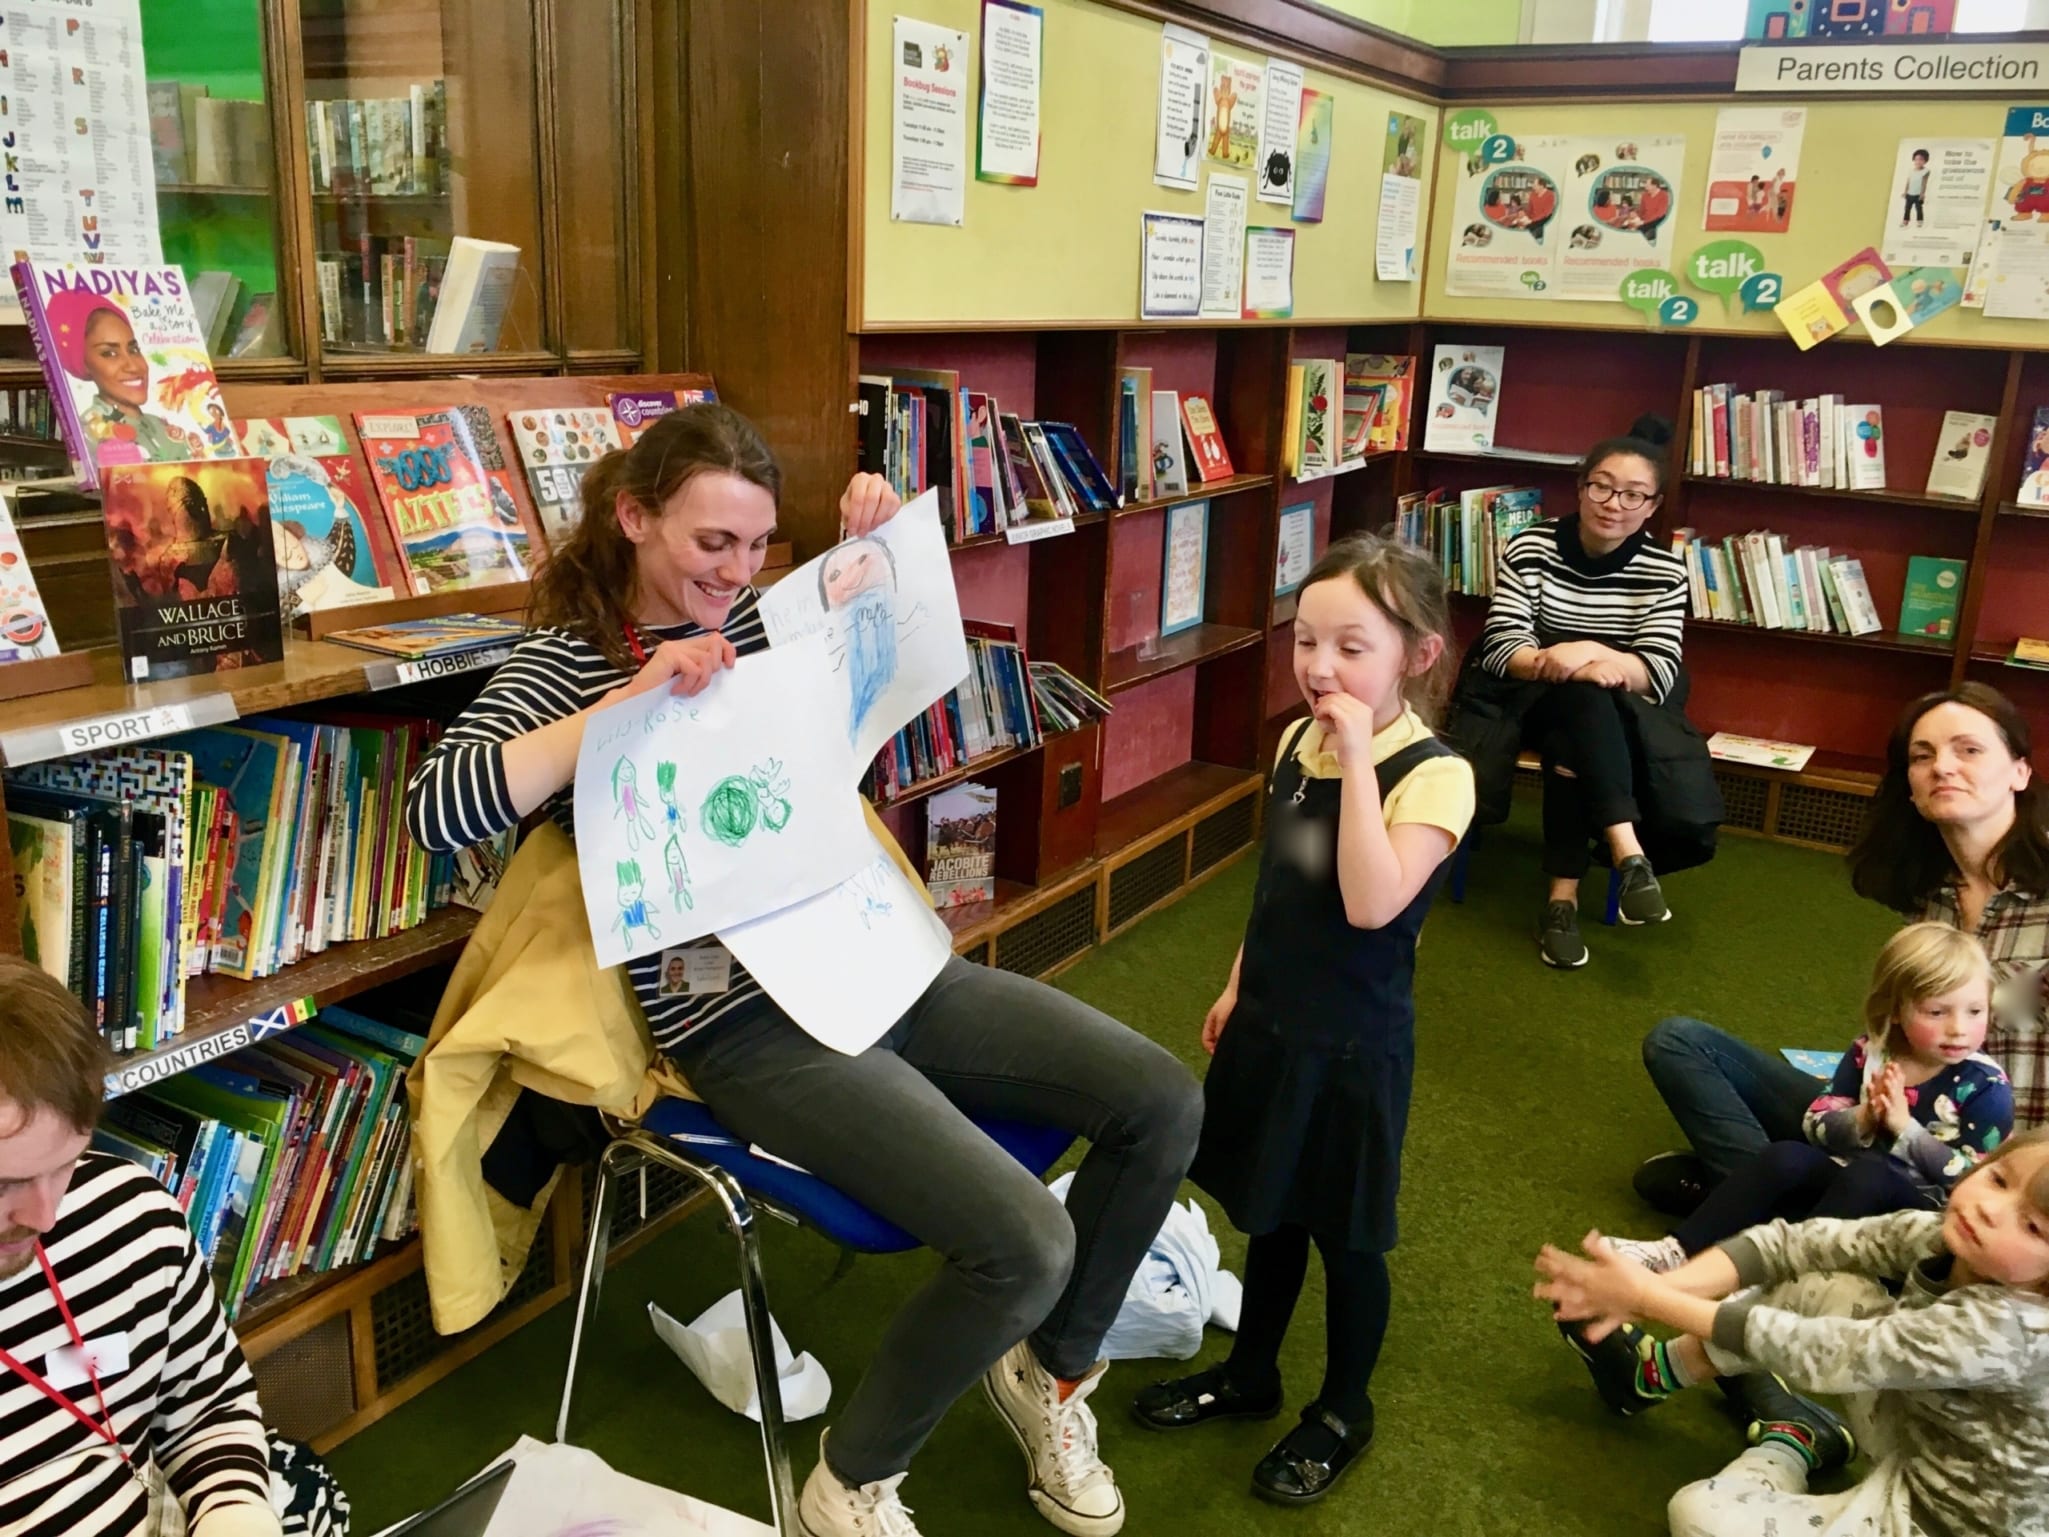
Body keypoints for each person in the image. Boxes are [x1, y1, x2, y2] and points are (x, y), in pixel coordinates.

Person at [403, 403, 1201, 1537]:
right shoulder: (563, 663)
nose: (735, 571)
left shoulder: (762, 620)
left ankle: (1052, 1370)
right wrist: (618, 709)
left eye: (755, 544)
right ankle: (849, 1484)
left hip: (872, 954)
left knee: (1161, 1099)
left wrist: (871, 557)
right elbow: (440, 810)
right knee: (1028, 1242)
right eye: (709, 542)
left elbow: (875, 675)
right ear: (633, 517)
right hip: (736, 1016)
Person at [1131, 536, 1474, 1506]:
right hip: (1272, 1023)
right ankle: (1251, 1374)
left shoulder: (1435, 774)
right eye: (1305, 640)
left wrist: (1358, 756)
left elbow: (1370, 902)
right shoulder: (1296, 742)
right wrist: (1238, 983)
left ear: (1417, 655)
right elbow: (1282, 883)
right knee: (1269, 1210)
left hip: (1354, 1049)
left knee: (1348, 1239)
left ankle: (1343, 1409)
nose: (1320, 666)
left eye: (1351, 647)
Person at [1636, 684, 2049, 1215]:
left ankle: (1759, 1205)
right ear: (1910, 787)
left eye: (1969, 749)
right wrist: (1861, 1103)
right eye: (1922, 756)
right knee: (1680, 1043)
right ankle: (1784, 1203)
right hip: (1890, 1127)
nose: (1942, 767)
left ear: (2020, 771)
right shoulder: (1931, 897)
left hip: (1997, 1179)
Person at [1533, 1125, 2049, 1537]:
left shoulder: (2010, 1327)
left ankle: (1797, 1440)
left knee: (1699, 1516)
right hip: (1918, 1434)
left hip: (1931, 1522)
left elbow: (1827, 1352)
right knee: (1821, 1281)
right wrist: (1661, 1287)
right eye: (1999, 1179)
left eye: (2032, 1227)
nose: (1989, 1209)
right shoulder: (1940, 1236)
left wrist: (1649, 1299)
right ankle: (1650, 1375)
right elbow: (1800, 1245)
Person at [0, 955, 347, 1537]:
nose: (46, 1216)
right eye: (5, 1183)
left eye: (64, 1164)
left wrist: (233, 1511)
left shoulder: (131, 1217)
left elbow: (207, 1404)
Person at [1445, 413, 1719, 971]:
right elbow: (1501, 647)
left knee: (1580, 727)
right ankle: (1628, 853)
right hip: (1527, 699)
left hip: (1614, 713)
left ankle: (1562, 903)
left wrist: (1589, 655)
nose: (1614, 504)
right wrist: (1563, 662)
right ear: (1580, 488)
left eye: (1633, 494)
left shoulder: (1665, 571)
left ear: (1652, 506)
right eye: (1602, 487)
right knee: (1583, 701)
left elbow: (1658, 669)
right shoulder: (1531, 546)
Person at [1596, 925, 2011, 1277]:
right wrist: (1862, 1118)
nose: (1959, 1029)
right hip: (1844, 1185)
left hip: (1915, 1215)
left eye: (1975, 1011)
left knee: (1868, 1176)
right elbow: (1816, 1124)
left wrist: (1906, 1132)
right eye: (1937, 1012)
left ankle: (1786, 1276)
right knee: (1786, 1156)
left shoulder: (1987, 1086)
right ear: (1896, 1010)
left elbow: (1973, 1181)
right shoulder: (1872, 1051)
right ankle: (1679, 1250)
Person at [42, 287, 194, 466]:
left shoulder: (163, 427)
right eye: (109, 353)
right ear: (84, 364)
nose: (133, 366)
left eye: (133, 349)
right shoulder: (86, 438)